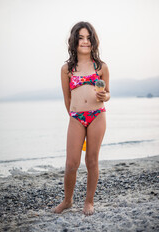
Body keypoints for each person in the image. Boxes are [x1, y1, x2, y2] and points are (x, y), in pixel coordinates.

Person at [54, 21, 110, 215]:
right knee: (71, 163)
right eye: (81, 38)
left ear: (93, 41)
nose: (85, 41)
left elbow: (108, 93)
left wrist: (105, 96)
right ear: (74, 42)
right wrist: (74, 116)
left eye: (88, 38)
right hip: (76, 117)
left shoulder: (101, 66)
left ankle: (89, 201)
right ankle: (68, 200)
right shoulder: (67, 69)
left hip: (97, 115)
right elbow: (67, 99)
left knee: (92, 161)